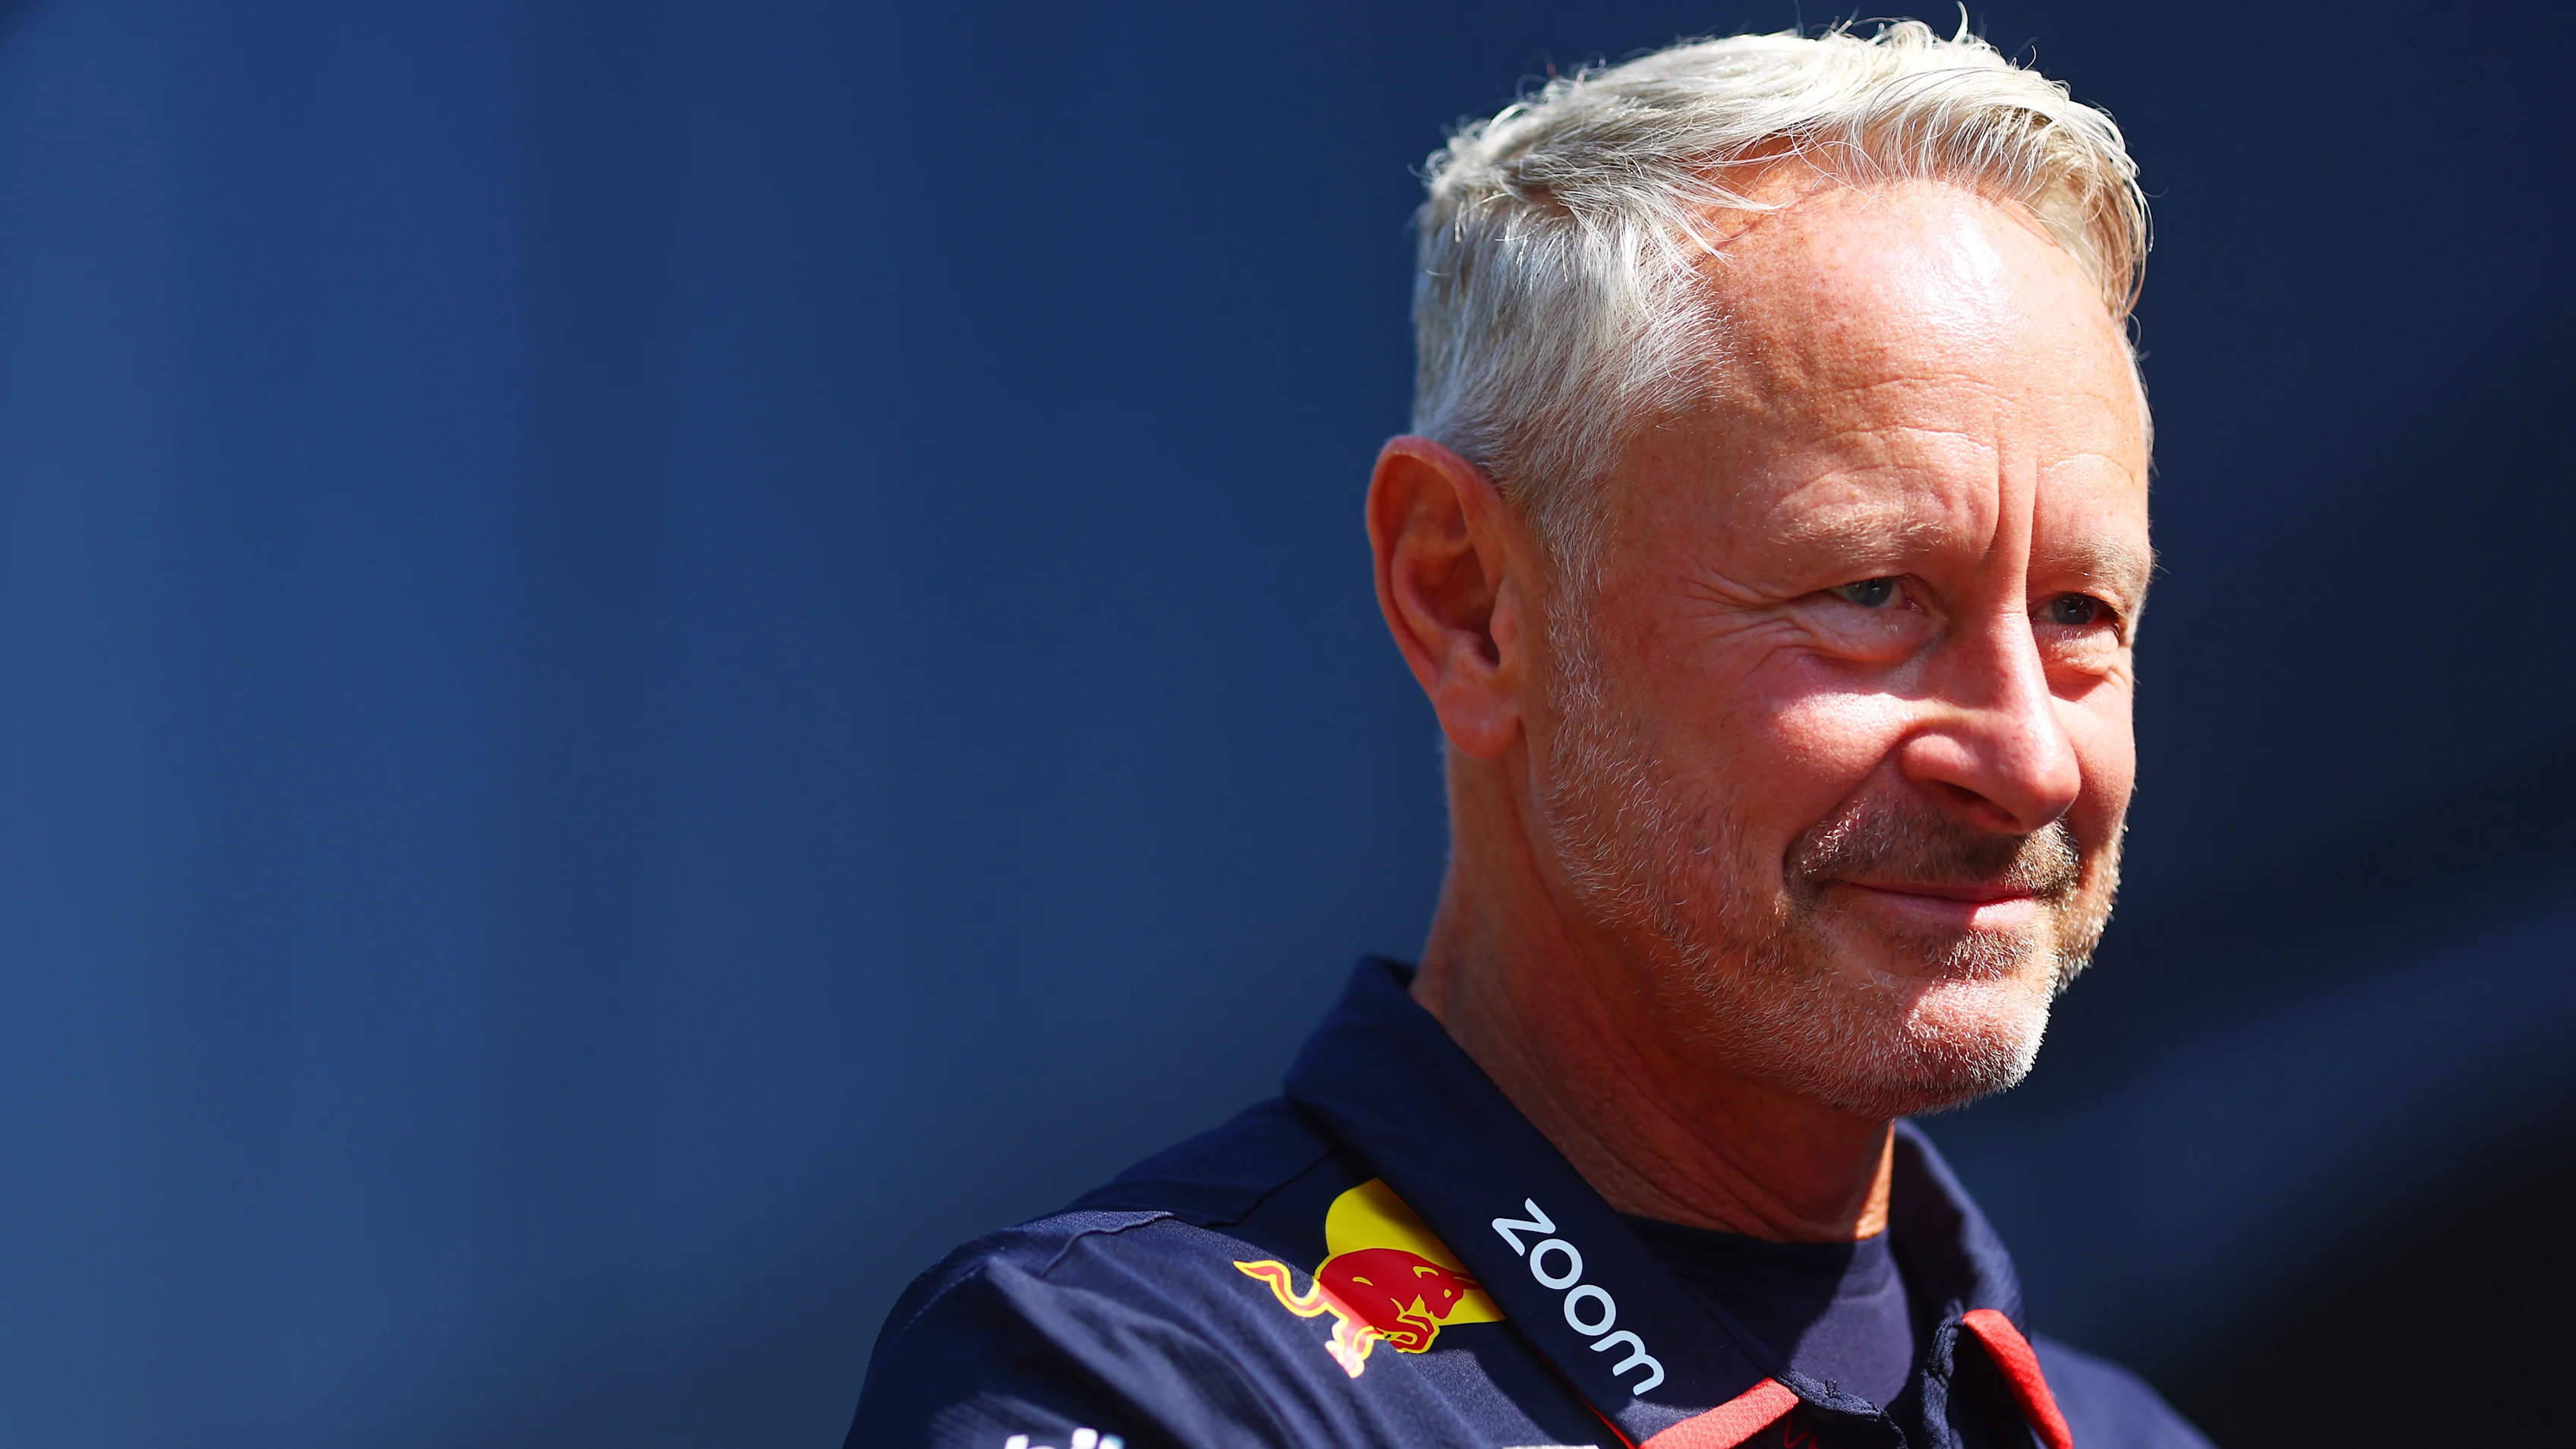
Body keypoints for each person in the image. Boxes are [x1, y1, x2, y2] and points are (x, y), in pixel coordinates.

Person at [852, 21, 2211, 1449]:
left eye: (2080, 612)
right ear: (1469, 604)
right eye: (1871, 594)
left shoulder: (2128, 1434)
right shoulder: (1133, 1378)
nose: (2028, 761)